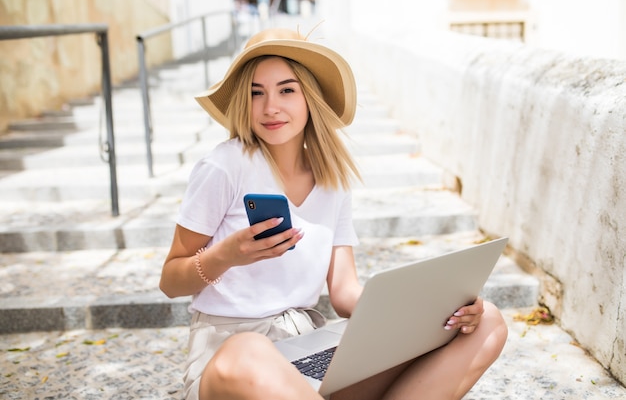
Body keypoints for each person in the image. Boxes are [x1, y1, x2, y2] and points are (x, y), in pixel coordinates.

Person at [160, 27, 508, 400]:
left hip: (305, 350)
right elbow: (170, 280)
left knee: (486, 322)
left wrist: (432, 311)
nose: (270, 107)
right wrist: (225, 256)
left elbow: (343, 291)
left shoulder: (332, 180)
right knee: (249, 352)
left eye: (286, 90)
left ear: (311, 97)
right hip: (231, 360)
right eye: (255, 93)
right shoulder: (225, 166)